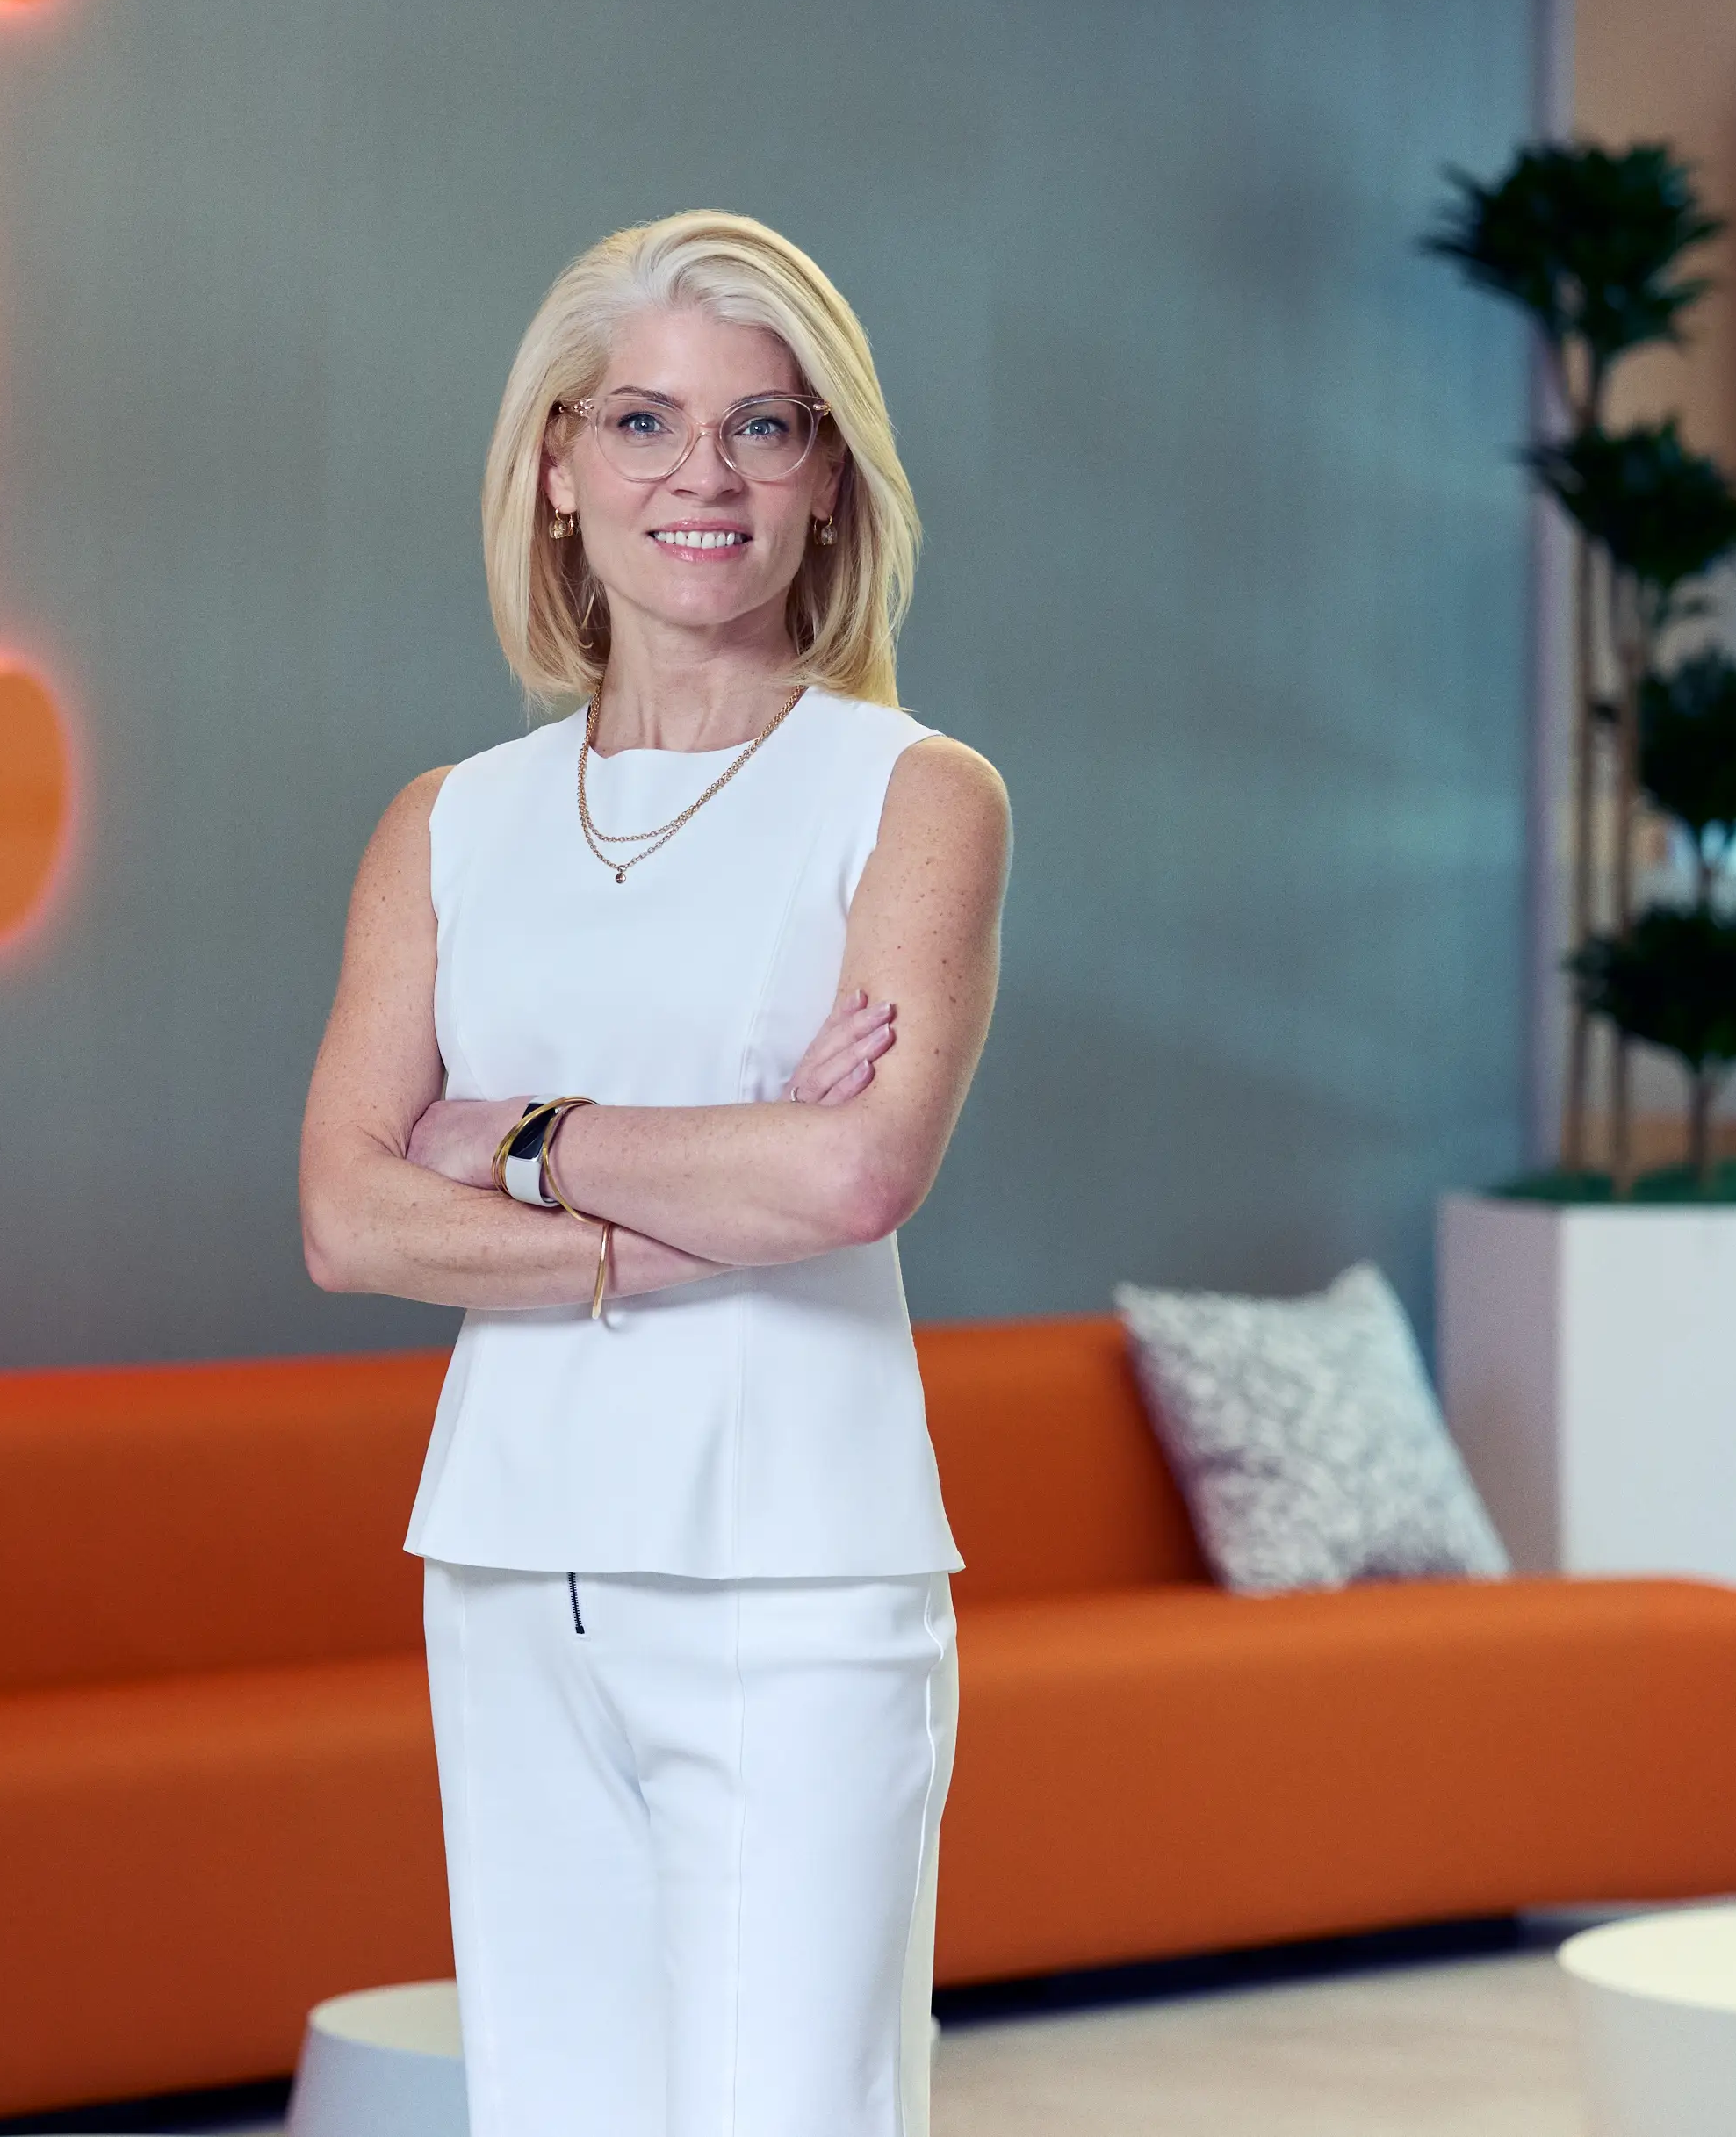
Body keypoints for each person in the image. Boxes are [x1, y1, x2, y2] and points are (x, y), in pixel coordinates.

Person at [299, 210, 1012, 2137]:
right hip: (512, 1565)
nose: (701, 477)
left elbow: (857, 1178)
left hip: (801, 1573)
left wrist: (520, 1143)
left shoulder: (911, 794)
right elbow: (350, 1215)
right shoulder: (451, 823)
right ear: (555, 467)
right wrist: (695, 1201)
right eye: (641, 423)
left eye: (763, 428)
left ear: (828, 481)